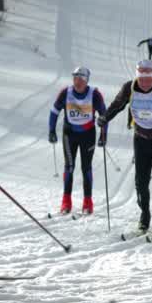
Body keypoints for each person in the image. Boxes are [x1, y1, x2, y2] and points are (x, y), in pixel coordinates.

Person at [103, 60, 152, 236]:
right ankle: (144, 217)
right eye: (142, 78)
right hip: (141, 139)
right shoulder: (129, 88)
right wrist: (105, 118)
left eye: (149, 78)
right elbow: (117, 105)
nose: (145, 82)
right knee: (141, 181)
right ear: (137, 76)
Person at [49, 66, 107, 216]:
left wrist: (103, 135)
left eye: (81, 79)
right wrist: (51, 130)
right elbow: (54, 111)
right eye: (75, 78)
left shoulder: (94, 94)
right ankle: (66, 201)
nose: (77, 82)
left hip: (88, 134)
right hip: (70, 133)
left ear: (86, 80)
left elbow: (103, 115)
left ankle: (88, 202)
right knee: (69, 166)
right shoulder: (66, 92)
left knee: (86, 167)